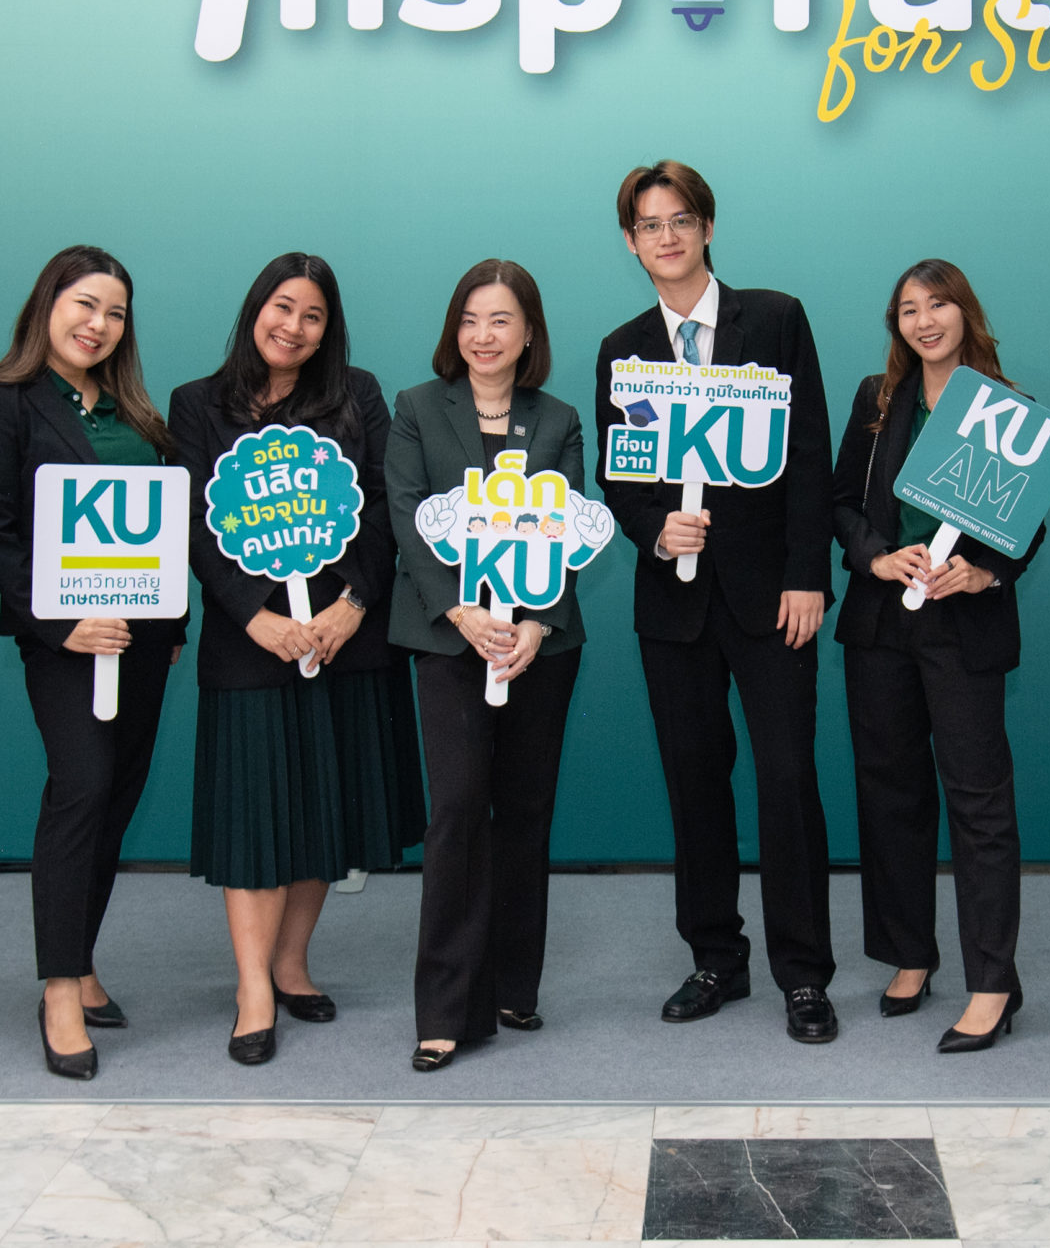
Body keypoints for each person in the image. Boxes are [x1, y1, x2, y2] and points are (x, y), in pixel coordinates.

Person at [593, 160, 840, 1044]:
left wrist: (808, 573)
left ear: (706, 227)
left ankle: (804, 975)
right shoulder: (621, 348)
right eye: (649, 225)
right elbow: (619, 478)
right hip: (673, 607)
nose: (666, 236)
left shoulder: (773, 318)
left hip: (774, 598)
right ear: (631, 242)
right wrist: (656, 530)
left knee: (787, 780)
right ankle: (716, 959)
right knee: (694, 785)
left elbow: (809, 452)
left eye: (681, 219)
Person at [169, 253, 417, 1068]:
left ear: (328, 328)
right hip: (252, 644)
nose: (294, 326)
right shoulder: (197, 403)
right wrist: (255, 615)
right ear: (255, 309)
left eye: (313, 315)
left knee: (326, 808)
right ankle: (252, 990)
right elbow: (193, 525)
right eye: (283, 306)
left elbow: (387, 504)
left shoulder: (358, 394)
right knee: (257, 818)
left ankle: (290, 962)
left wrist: (354, 604)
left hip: (346, 637)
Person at [0, 246, 185, 1081]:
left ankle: (83, 957)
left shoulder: (136, 411)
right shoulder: (2, 402)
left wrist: (170, 618)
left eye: (115, 313)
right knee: (80, 788)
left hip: (144, 638)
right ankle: (58, 988)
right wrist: (61, 625)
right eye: (84, 304)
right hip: (65, 640)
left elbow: (164, 519)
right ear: (47, 304)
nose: (98, 324)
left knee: (118, 795)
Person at [831, 260, 1041, 1054]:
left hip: (964, 629)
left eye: (939, 304)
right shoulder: (878, 399)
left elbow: (1026, 527)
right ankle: (910, 953)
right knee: (891, 794)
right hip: (881, 625)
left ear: (966, 311)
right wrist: (876, 556)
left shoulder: (1008, 407)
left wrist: (984, 572)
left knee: (979, 804)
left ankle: (993, 982)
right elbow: (841, 501)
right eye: (909, 309)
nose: (924, 320)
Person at [389, 261, 592, 1073]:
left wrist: (537, 620)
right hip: (451, 641)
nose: (484, 335)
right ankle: (446, 1009)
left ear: (529, 332)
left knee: (526, 810)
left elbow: (568, 525)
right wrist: (460, 610)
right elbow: (407, 516)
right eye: (471, 319)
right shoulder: (416, 408)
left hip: (539, 646)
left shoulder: (560, 419)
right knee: (459, 809)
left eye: (501, 319)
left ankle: (513, 984)